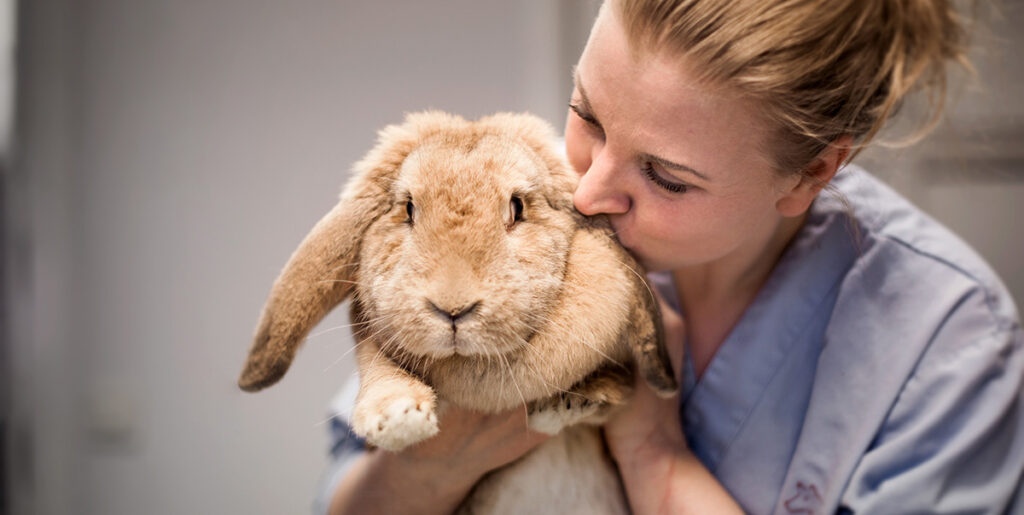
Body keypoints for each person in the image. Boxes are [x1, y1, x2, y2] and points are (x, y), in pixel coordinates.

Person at [314, 0, 1024, 513]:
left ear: (811, 173)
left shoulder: (948, 346)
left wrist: (656, 455)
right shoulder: (521, 204)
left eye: (665, 177)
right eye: (586, 113)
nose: (587, 192)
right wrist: (430, 470)